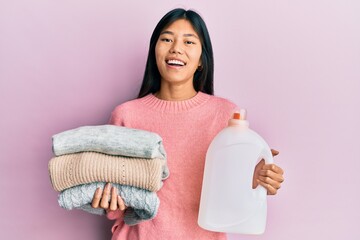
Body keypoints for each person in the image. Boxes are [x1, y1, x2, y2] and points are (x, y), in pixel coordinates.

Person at [91, 8, 284, 240]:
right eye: (166, 39)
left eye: (189, 41)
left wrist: (256, 182)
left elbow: (230, 198)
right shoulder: (126, 116)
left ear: (202, 59)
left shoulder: (225, 115)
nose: (176, 48)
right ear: (154, 51)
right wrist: (105, 200)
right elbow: (117, 206)